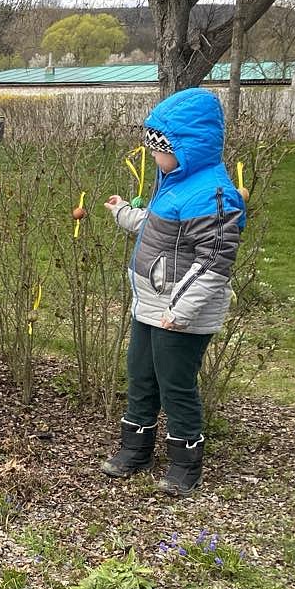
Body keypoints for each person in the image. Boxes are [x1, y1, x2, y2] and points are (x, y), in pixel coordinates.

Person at [100, 87, 245, 496]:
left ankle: (185, 462)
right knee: (141, 375)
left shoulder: (212, 194)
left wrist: (180, 309)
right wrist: (124, 213)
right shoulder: (175, 183)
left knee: (176, 385)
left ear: (188, 147)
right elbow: (158, 229)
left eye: (161, 149)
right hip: (151, 304)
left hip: (181, 313)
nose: (155, 157)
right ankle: (135, 449)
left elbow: (214, 260)